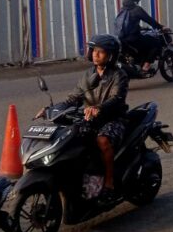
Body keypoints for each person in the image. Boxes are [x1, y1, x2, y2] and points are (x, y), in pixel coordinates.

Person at [36, 34, 129, 205]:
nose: (95, 54)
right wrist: (51, 109)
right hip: (89, 118)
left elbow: (116, 99)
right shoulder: (87, 76)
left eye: (101, 52)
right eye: (94, 51)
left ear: (111, 55)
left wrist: (98, 108)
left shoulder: (119, 75)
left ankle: (109, 183)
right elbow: (73, 99)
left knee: (102, 141)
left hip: (114, 118)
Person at [115, 0, 163, 72]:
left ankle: (139, 61)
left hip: (122, 39)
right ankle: (146, 65)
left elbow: (128, 24)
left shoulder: (123, 9)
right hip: (133, 39)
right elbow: (150, 20)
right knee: (156, 42)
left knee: (144, 41)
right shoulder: (137, 9)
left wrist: (140, 28)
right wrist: (161, 27)